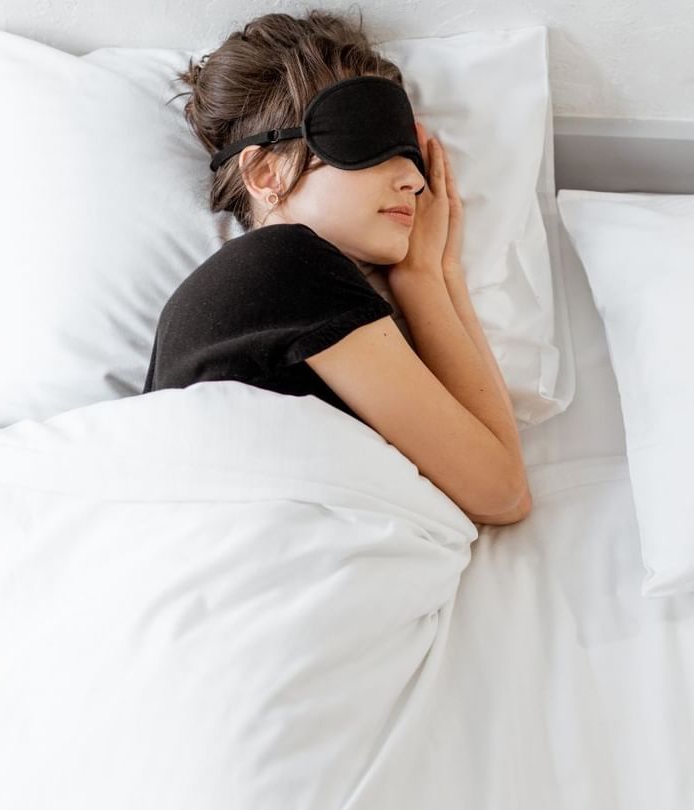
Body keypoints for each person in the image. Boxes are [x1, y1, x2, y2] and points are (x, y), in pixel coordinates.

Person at [142, 10, 532, 526]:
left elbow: (500, 473)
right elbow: (500, 492)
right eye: (368, 139)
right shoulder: (285, 264)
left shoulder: (251, 287)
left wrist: (440, 271)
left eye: (412, 155)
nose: (414, 180)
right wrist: (424, 280)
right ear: (265, 172)